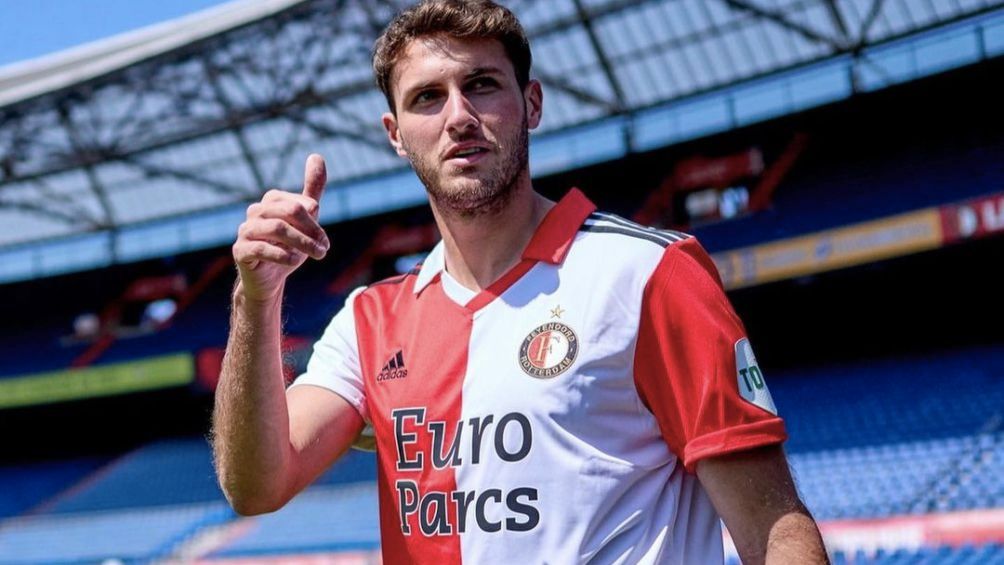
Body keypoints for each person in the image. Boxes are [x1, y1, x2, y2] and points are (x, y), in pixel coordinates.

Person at [213, 0, 828, 563]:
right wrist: (255, 301)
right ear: (395, 134)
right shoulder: (368, 319)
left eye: (480, 85)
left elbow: (774, 529)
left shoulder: (647, 274)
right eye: (427, 97)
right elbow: (256, 485)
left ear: (531, 103)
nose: (458, 116)